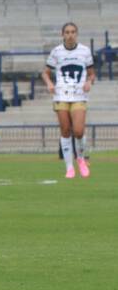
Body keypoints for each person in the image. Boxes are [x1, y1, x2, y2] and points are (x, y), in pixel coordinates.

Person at [43, 21, 95, 179]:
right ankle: (69, 167)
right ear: (62, 34)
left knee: (78, 131)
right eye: (67, 32)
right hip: (61, 96)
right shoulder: (57, 51)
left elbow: (91, 73)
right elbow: (45, 72)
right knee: (65, 131)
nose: (70, 35)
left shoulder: (85, 51)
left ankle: (80, 159)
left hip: (79, 95)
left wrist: (89, 82)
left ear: (76, 34)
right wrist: (49, 83)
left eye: (73, 32)